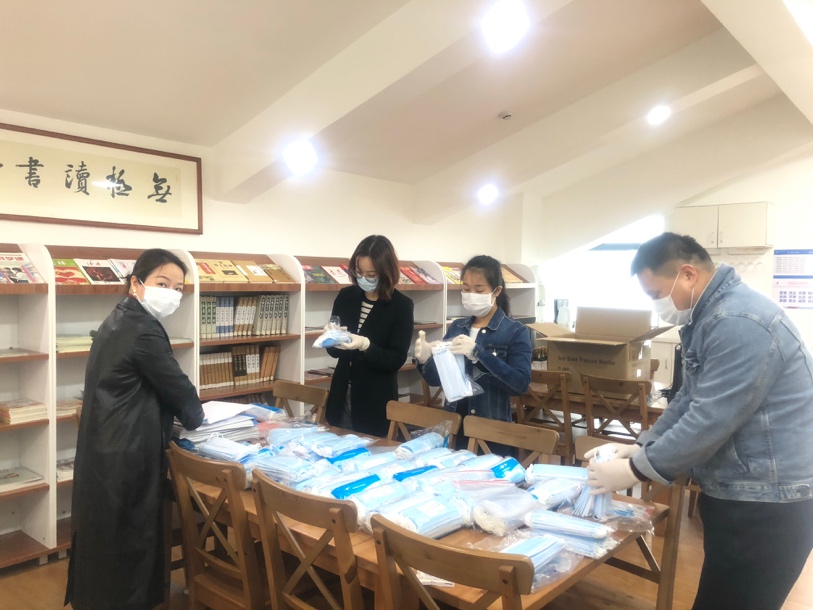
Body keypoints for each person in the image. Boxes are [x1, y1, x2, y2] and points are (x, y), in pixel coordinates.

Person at [586, 232, 813, 610]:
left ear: (688, 274)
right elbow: (688, 399)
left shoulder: (739, 321)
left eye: (657, 294)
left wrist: (637, 470)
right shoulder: (711, 317)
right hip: (740, 488)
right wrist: (642, 445)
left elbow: (711, 418)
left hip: (767, 500)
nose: (658, 305)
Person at [65, 249, 204, 610]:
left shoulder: (119, 318)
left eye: (178, 288)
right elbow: (180, 390)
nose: (171, 294)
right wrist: (197, 418)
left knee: (106, 537)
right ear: (136, 284)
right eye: (162, 283)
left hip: (106, 446)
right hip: (127, 452)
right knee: (128, 540)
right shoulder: (143, 330)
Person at [415, 255, 532, 426]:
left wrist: (479, 354)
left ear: (496, 291)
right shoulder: (457, 327)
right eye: (466, 289)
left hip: (490, 428)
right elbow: (437, 380)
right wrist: (426, 361)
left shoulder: (515, 331)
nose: (471, 295)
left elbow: (520, 385)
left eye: (479, 290)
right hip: (455, 423)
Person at [325, 235, 414, 436]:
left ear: (386, 272)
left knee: (372, 448)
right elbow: (334, 353)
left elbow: (396, 359)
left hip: (375, 397)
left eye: (371, 275)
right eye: (359, 272)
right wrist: (331, 338)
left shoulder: (401, 306)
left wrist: (366, 345)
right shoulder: (346, 296)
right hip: (342, 393)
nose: (363, 279)